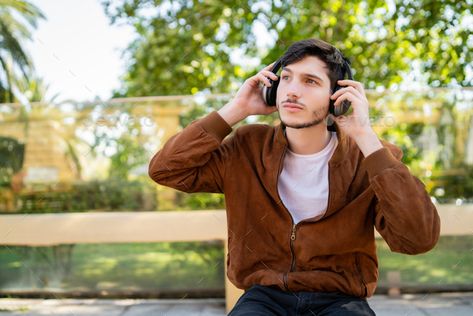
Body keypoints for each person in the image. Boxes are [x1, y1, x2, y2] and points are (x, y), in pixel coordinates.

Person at [148, 38, 440, 315]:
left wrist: (365, 136)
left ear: (338, 98)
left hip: (341, 299)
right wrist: (236, 110)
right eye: (285, 78)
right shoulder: (247, 147)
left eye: (310, 81)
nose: (292, 90)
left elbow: (418, 239)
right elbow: (166, 169)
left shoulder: (371, 157)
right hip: (264, 296)